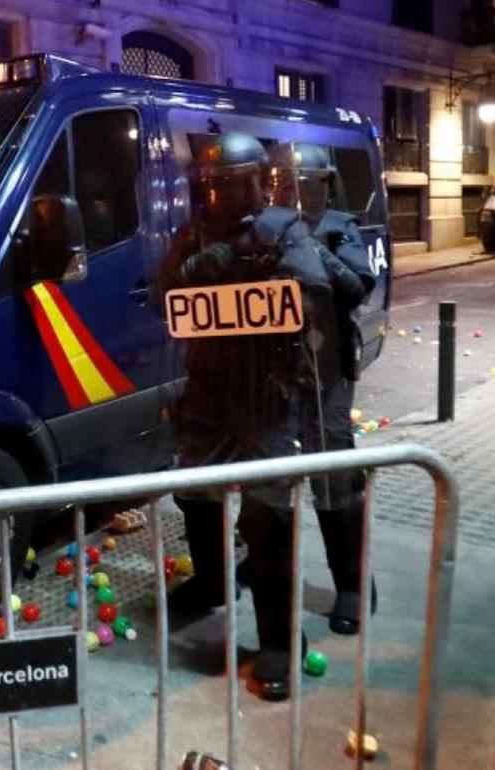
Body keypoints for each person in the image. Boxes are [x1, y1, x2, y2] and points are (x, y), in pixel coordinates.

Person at [162, 132, 330, 701]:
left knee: (267, 520)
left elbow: (314, 294)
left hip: (266, 397)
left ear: (258, 182)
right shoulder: (194, 233)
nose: (223, 196)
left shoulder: (284, 229)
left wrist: (244, 269)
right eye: (214, 187)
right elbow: (165, 287)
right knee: (195, 497)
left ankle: (280, 640)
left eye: (233, 185)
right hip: (209, 392)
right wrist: (199, 265)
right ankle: (211, 581)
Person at [269, 142, 378, 634]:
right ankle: (263, 565)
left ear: (321, 183)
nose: (288, 192)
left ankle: (352, 585)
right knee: (270, 481)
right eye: (281, 184)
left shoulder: (337, 226)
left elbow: (358, 287)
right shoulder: (267, 226)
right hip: (275, 372)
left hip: (327, 370)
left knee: (333, 475)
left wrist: (310, 251)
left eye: (297, 183)